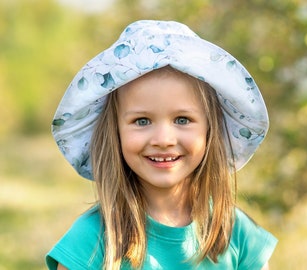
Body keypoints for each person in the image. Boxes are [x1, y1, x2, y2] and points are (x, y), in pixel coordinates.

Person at [46, 20, 277, 270]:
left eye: (182, 119)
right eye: (142, 121)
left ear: (211, 129)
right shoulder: (91, 241)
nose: (164, 140)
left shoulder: (236, 234)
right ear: (114, 132)